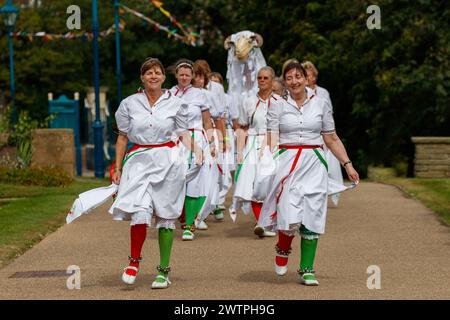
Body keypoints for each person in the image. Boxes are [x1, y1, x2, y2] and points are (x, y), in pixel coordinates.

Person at [257, 62, 359, 286]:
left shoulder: (321, 103)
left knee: (313, 213)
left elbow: (331, 138)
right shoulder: (277, 105)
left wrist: (347, 164)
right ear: (285, 81)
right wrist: (265, 161)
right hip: (287, 163)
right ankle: (283, 247)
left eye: (298, 77)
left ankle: (307, 269)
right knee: (288, 213)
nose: (294, 81)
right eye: (290, 78)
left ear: (306, 78)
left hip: (314, 163)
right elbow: (271, 137)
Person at [110, 57, 202, 289]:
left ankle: (163, 271)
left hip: (167, 162)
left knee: (166, 217)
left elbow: (183, 133)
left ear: (163, 77)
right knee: (140, 212)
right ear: (142, 77)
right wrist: (118, 168)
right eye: (148, 72)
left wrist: (198, 151)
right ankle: (133, 262)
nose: (153, 76)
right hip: (139, 163)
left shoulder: (175, 103)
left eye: (157, 72)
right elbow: (122, 137)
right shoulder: (129, 103)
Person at [230, 66, 280, 237]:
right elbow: (243, 127)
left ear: (272, 81)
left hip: (274, 144)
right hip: (253, 142)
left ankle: (272, 221)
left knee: (272, 183)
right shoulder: (248, 101)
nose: (262, 80)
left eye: (266, 77)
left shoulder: (280, 101)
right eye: (260, 77)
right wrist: (239, 152)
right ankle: (261, 223)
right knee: (251, 183)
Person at [169, 59, 214, 240]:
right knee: (176, 179)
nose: (185, 77)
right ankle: (174, 216)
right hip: (176, 140)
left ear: (192, 76)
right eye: (182, 75)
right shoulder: (170, 93)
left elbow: (207, 120)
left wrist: (211, 142)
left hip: (197, 138)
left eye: (188, 75)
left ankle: (190, 224)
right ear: (176, 76)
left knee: (196, 181)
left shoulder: (200, 94)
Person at [302, 60, 344, 206]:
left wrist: (332, 135)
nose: (308, 79)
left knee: (328, 164)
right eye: (305, 75)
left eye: (309, 75)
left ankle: (329, 192)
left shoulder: (323, 93)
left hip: (323, 132)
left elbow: (329, 115)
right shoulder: (297, 94)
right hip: (308, 133)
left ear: (314, 76)